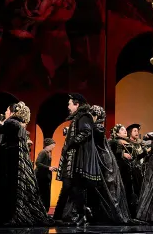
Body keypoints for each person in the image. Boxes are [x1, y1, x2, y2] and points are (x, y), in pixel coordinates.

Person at [0, 102, 54, 226]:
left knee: (8, 189)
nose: (5, 112)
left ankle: (7, 216)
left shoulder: (11, 123)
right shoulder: (20, 124)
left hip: (9, 161)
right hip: (17, 162)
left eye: (7, 110)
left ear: (13, 112)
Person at [55, 93, 101, 226]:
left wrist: (71, 143)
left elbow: (85, 132)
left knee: (74, 187)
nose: (68, 107)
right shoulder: (79, 117)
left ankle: (81, 214)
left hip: (78, 159)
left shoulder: (84, 116)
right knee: (70, 187)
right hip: (73, 158)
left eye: (70, 104)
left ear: (77, 104)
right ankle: (67, 215)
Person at [35, 138, 57, 212]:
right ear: (48, 145)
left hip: (45, 177)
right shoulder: (43, 152)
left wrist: (51, 168)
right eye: (53, 145)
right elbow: (38, 163)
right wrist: (48, 168)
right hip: (41, 177)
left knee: (46, 194)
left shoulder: (48, 153)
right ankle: (42, 211)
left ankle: (45, 210)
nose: (53, 147)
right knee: (43, 194)